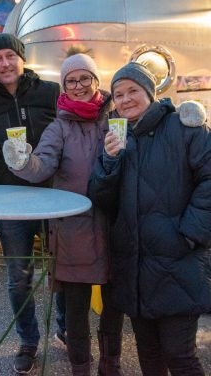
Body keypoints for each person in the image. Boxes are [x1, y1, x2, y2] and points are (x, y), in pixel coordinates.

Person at [2, 49, 125, 376]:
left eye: (85, 78)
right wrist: (22, 162)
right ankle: (80, 369)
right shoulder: (59, 127)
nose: (79, 85)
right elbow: (41, 166)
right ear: (64, 87)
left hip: (115, 226)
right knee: (75, 311)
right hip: (74, 229)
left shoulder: (115, 119)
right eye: (71, 81)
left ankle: (110, 365)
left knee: (114, 306)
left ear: (96, 80)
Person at [88, 62, 211, 376]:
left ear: (149, 92)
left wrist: (189, 233)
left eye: (133, 91)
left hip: (177, 260)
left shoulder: (182, 127)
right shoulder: (119, 137)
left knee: (180, 355)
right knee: (150, 355)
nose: (126, 99)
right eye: (118, 94)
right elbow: (102, 200)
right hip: (135, 265)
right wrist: (109, 163)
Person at [0, 33, 59, 374]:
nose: (5, 63)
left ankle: (65, 325)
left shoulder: (50, 93)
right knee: (18, 276)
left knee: (62, 269)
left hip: (52, 197)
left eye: (10, 56)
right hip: (9, 202)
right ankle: (28, 340)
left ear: (22, 59)